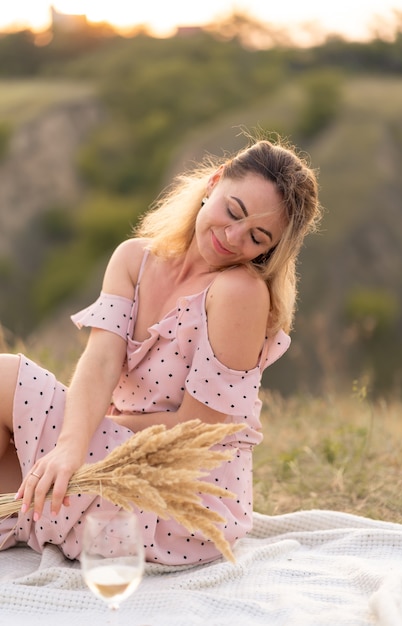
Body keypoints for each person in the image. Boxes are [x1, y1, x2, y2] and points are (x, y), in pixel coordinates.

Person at [0, 136, 321, 565]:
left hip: (180, 491)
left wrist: (88, 430)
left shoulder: (239, 292)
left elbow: (195, 431)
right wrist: (71, 444)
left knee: (7, 377)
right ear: (214, 182)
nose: (232, 236)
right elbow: (100, 362)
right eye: (233, 211)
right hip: (110, 450)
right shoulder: (134, 259)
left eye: (257, 236)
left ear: (269, 250)